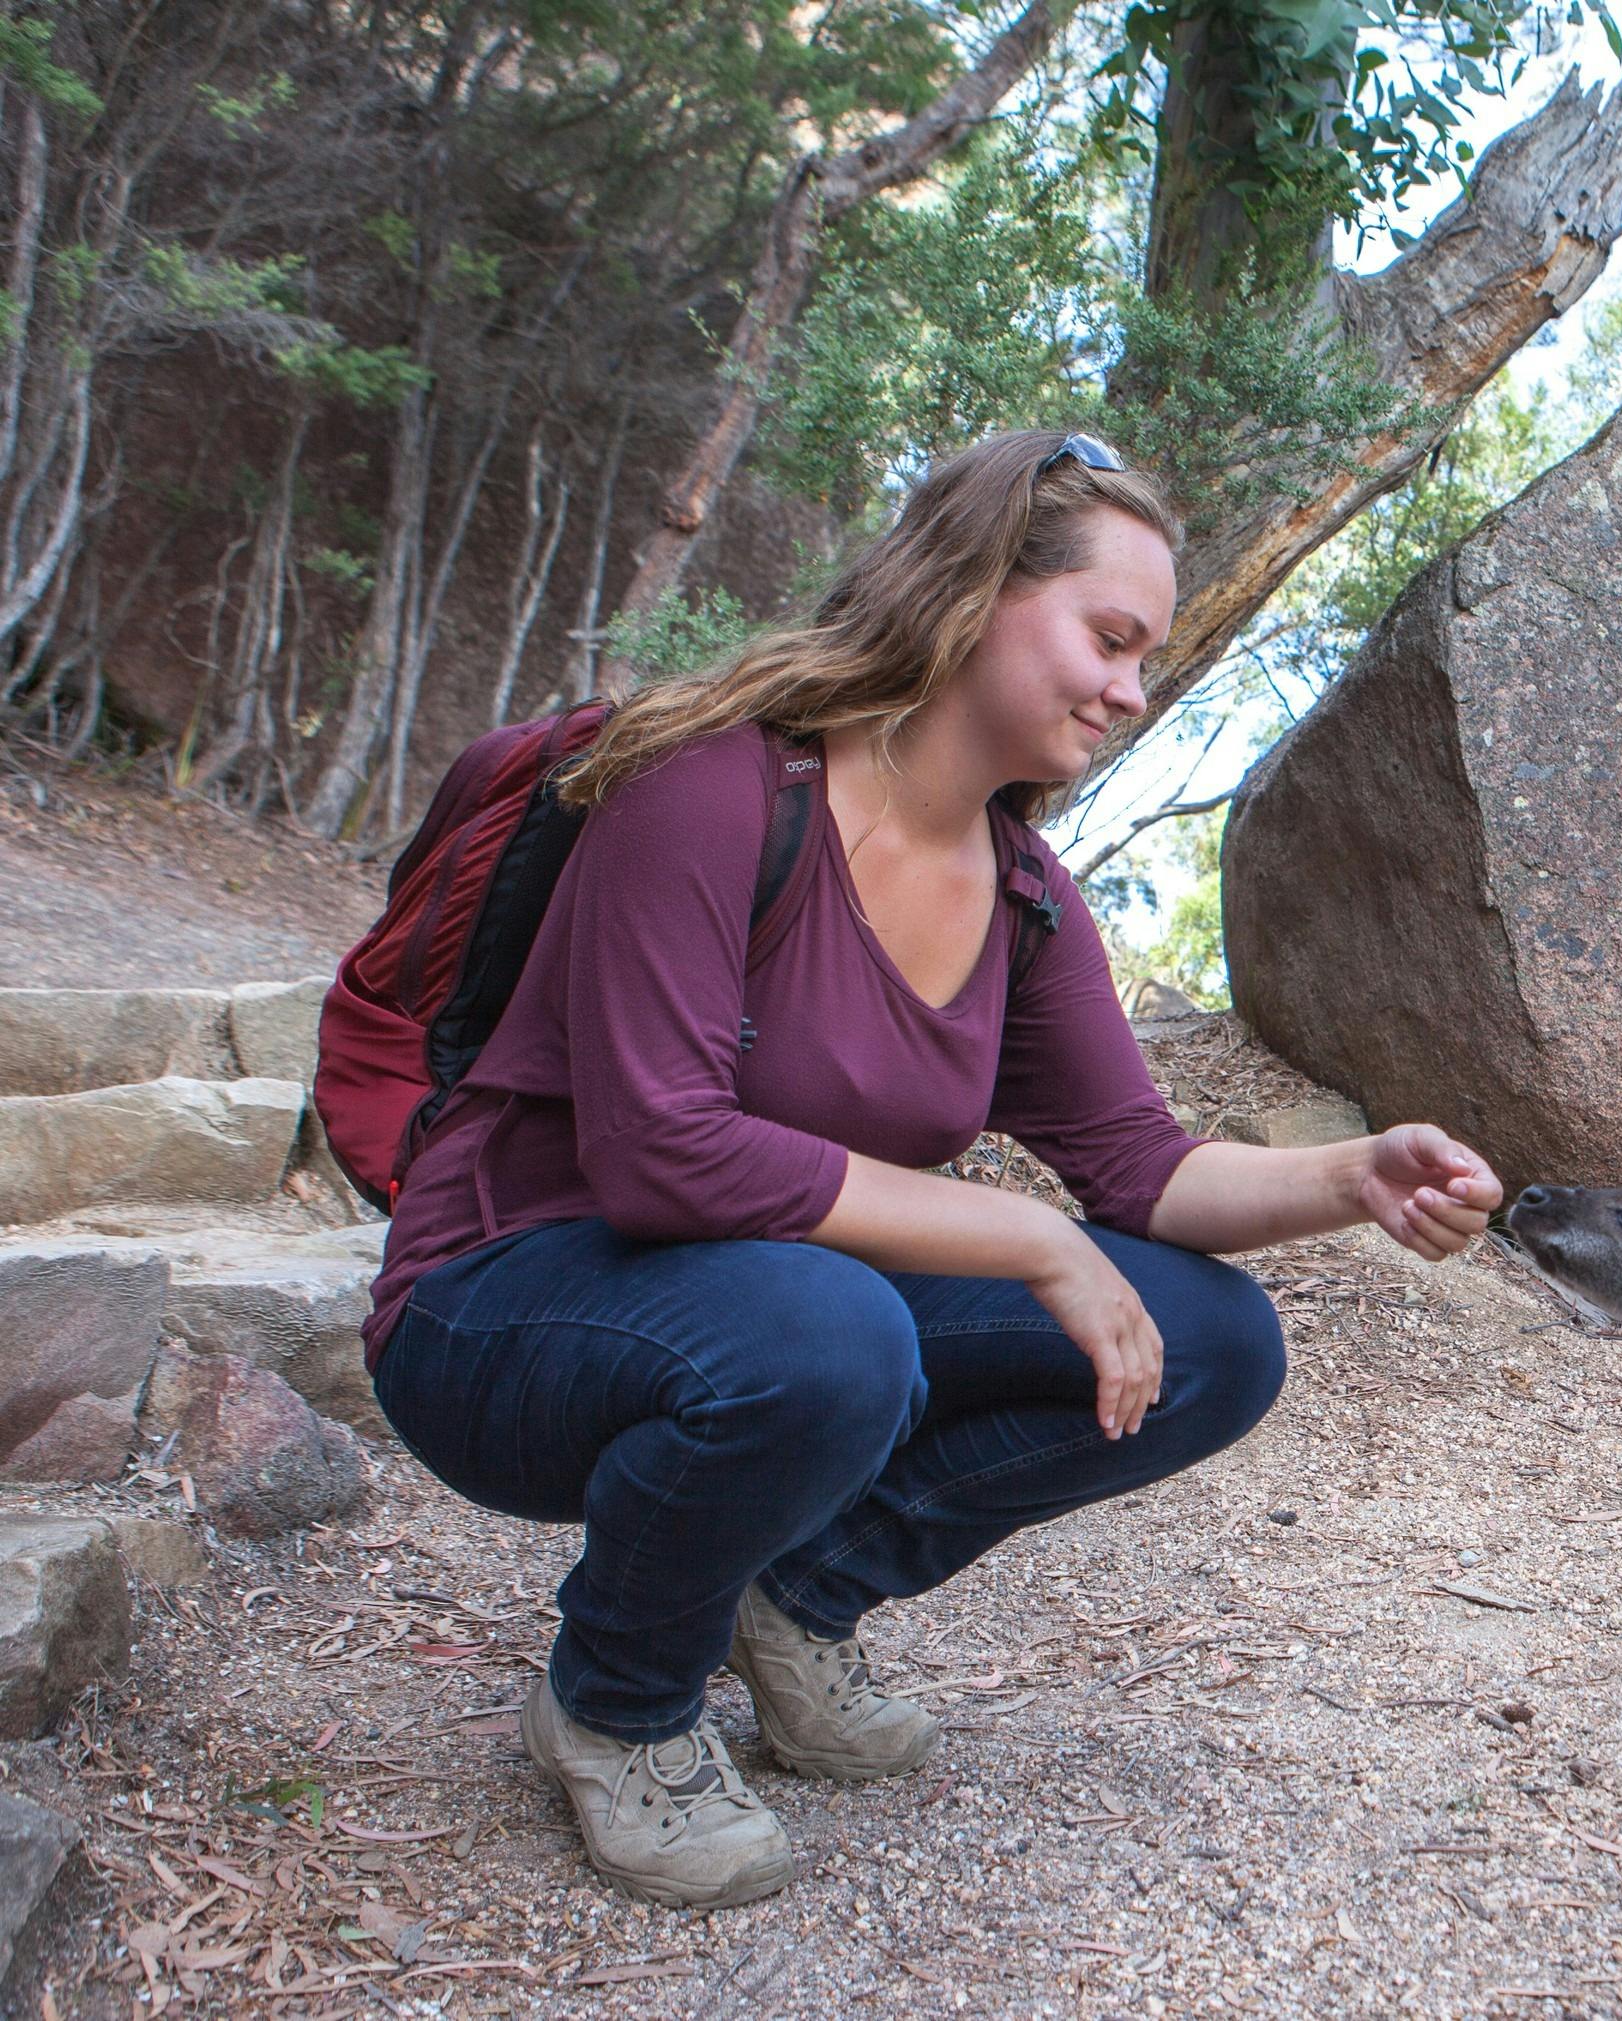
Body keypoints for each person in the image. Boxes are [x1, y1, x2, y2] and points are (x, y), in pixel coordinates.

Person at [361, 429, 1503, 1909]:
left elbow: (1142, 1169)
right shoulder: (714, 785)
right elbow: (660, 1155)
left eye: (1146, 656)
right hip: (499, 1303)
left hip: (761, 1303)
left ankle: (796, 1595)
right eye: (1109, 636)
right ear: (974, 593)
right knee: (837, 1331)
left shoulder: (1024, 899)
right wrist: (1028, 1239)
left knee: (1215, 1339)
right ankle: (616, 1701)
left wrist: (1354, 1176)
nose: (1134, 688)